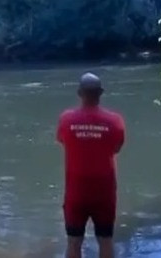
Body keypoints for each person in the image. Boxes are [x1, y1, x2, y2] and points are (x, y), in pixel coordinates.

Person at [56, 73, 125, 258]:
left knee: (73, 241)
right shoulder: (115, 121)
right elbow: (117, 148)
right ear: (101, 93)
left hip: (76, 192)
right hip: (105, 192)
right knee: (105, 240)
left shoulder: (66, 119)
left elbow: (62, 140)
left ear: (79, 93)